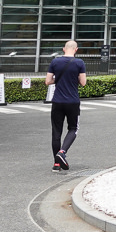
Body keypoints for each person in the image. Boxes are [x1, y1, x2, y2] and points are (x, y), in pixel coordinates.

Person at [45, 40, 87, 172]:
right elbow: (83, 83)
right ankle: (62, 152)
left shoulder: (55, 62)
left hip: (57, 101)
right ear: (76, 49)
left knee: (56, 132)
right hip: (72, 102)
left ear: (64, 49)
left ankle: (56, 165)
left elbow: (47, 81)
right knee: (73, 128)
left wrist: (58, 80)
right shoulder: (79, 63)